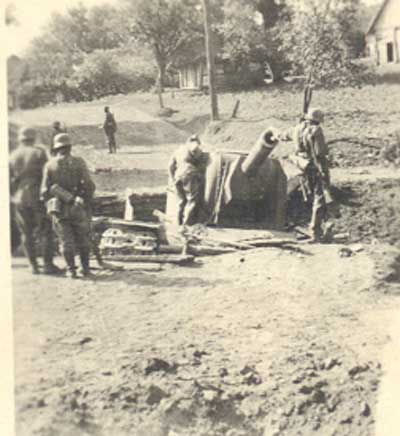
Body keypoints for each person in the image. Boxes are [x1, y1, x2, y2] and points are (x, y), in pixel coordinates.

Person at [41, 133, 96, 278]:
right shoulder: (79, 162)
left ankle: (71, 270)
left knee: (65, 241)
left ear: (56, 148)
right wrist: (84, 199)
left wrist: (54, 199)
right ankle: (85, 269)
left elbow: (44, 192)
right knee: (83, 239)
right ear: (70, 147)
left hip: (59, 208)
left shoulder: (50, 165)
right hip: (77, 206)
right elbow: (89, 185)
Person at [9, 126, 60, 275]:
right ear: (33, 138)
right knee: (46, 231)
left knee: (26, 233)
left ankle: (33, 266)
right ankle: (48, 264)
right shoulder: (39, 152)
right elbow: (47, 174)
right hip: (37, 196)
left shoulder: (13, 155)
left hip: (19, 198)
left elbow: (9, 180)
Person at [294, 108, 332, 241]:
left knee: (314, 197)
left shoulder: (298, 128)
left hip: (304, 167)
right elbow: (319, 153)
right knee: (321, 198)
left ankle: (326, 226)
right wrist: (323, 168)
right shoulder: (316, 130)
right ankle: (316, 232)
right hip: (316, 167)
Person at [168, 135, 205, 226]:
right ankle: (186, 224)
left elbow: (170, 166)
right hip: (189, 175)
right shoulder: (194, 148)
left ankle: (178, 223)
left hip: (178, 175)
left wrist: (173, 178)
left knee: (181, 201)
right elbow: (200, 160)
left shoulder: (177, 151)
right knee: (192, 200)